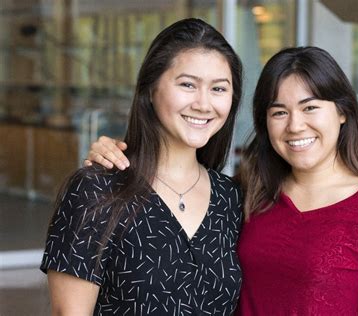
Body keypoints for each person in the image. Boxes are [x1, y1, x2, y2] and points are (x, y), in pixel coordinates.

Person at [87, 47, 358, 315]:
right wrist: (115, 152)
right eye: (279, 112)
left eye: (310, 107)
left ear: (343, 112)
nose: (295, 126)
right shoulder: (247, 194)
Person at [40, 18, 243, 315]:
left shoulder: (231, 198)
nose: (203, 103)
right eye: (187, 84)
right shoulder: (97, 190)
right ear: (150, 89)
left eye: (219, 89)